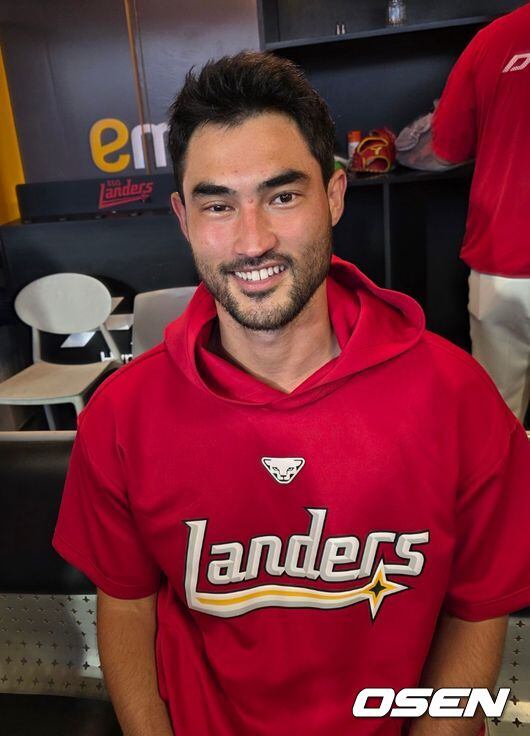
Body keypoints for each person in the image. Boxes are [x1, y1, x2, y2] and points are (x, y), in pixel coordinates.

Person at [53, 52, 530, 736]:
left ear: (333, 195)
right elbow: (127, 605)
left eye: (282, 196)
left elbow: (478, 609)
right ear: (183, 217)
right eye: (219, 205)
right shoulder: (123, 416)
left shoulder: (457, 397)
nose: (253, 242)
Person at [396, 4, 530, 425]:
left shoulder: (494, 40)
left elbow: (446, 150)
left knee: (500, 418)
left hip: (503, 260)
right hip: (501, 257)